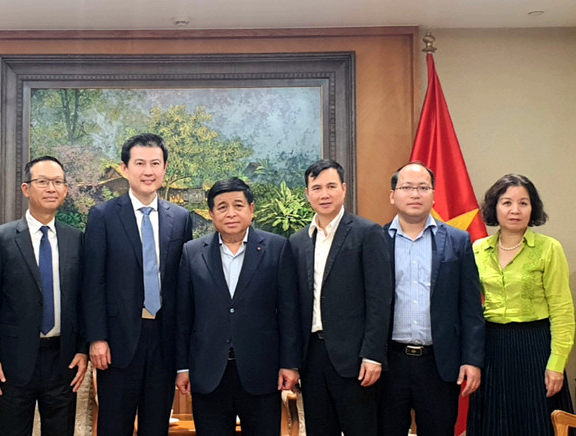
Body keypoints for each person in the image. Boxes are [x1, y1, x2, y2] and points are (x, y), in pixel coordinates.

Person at [83, 133, 193, 435]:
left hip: (163, 340)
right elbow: (93, 281)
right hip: (117, 344)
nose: (148, 171)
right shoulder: (103, 215)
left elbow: (183, 287)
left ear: (165, 168)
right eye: (140, 163)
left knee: (156, 427)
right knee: (114, 426)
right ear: (125, 168)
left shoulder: (181, 219)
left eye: (155, 163)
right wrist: (97, 338)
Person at [175, 178, 301, 436]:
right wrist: (183, 367)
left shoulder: (276, 248)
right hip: (208, 372)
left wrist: (290, 363)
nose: (230, 213)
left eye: (238, 205)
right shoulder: (192, 252)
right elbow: (183, 316)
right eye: (222, 207)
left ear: (251, 209)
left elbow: (288, 311)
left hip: (261, 371)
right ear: (211, 214)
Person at [378, 163, 485, 436]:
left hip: (439, 363)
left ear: (434, 195)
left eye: (423, 188)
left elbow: (471, 307)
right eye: (407, 187)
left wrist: (472, 360)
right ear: (393, 195)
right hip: (389, 363)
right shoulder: (375, 240)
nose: (415, 194)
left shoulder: (458, 241)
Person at [0, 156, 88, 436]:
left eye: (57, 182)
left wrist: (82, 348)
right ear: (26, 188)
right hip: (13, 362)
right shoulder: (0, 239)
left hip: (62, 359)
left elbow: (83, 299)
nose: (51, 188)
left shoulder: (76, 239)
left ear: (66, 190)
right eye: (42, 182)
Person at [289, 159, 392, 436]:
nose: (324, 194)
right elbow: (293, 306)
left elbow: (379, 300)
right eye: (317, 187)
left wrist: (372, 355)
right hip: (312, 357)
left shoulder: (367, 233)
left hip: (356, 359)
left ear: (344, 189)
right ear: (307, 193)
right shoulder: (297, 242)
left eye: (331, 186)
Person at [467, 174, 574, 436]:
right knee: (493, 424)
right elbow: (468, 308)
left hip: (535, 348)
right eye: (506, 203)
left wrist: (557, 363)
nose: (515, 210)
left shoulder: (549, 249)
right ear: (494, 207)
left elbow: (562, 310)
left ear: (533, 208)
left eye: (523, 203)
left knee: (537, 425)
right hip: (491, 349)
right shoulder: (478, 249)